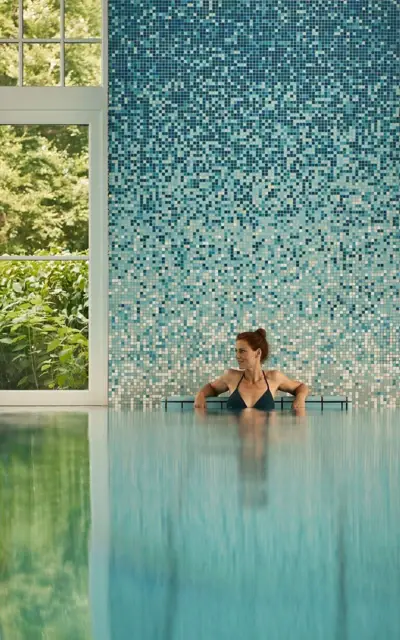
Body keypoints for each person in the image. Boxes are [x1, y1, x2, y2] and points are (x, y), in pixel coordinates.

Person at [194, 328, 310, 411]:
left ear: (258, 353)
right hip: (238, 443)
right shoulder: (231, 377)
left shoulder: (273, 378)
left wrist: (300, 399)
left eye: (242, 351)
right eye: (236, 351)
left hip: (264, 443)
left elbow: (301, 387)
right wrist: (200, 395)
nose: (237, 356)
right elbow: (212, 388)